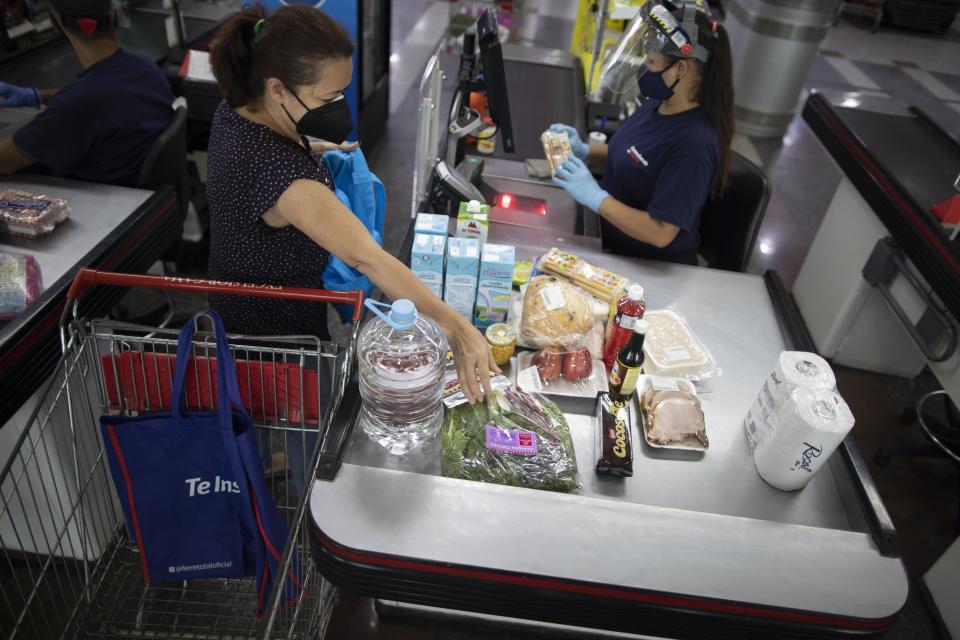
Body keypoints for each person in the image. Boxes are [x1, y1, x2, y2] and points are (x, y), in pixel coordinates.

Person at [205, 4, 497, 407]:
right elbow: (369, 259)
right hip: (273, 336)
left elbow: (258, 164)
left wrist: (316, 146)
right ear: (277, 89)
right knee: (290, 424)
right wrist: (459, 329)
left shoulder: (236, 112)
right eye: (328, 97)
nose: (339, 104)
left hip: (237, 300)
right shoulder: (285, 179)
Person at [551, 0, 734, 265]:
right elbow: (634, 157)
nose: (643, 68)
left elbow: (661, 233)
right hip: (608, 238)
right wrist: (587, 151)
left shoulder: (695, 144)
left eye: (650, 61)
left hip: (647, 265)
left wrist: (596, 197)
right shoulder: (659, 103)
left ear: (680, 70)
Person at [0, 0, 174, 186]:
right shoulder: (146, 68)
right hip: (141, 194)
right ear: (114, 16)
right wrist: (37, 96)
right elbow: (103, 95)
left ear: (55, 23)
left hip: (91, 201)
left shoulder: (78, 104)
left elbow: (4, 162)